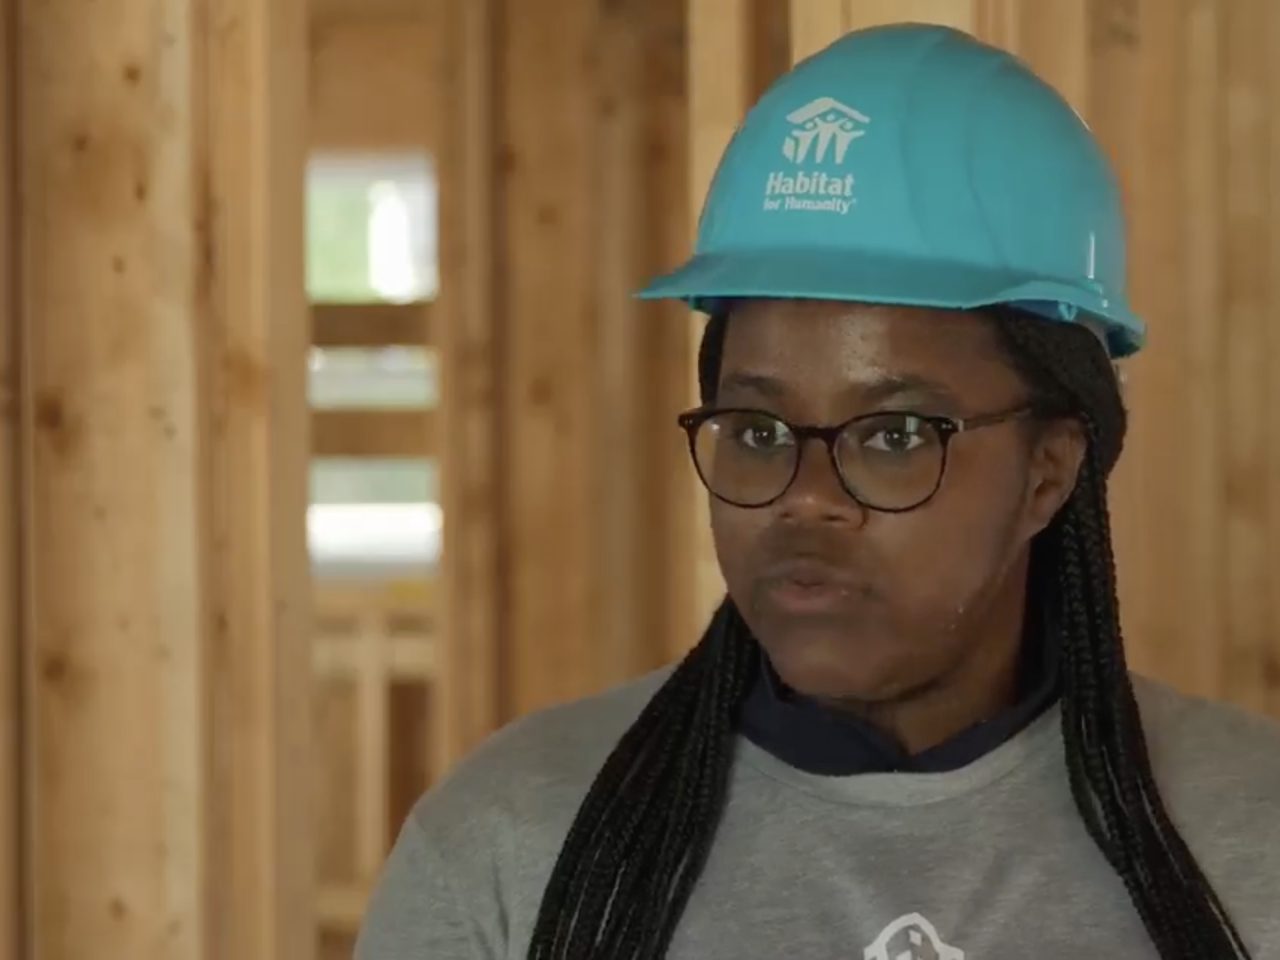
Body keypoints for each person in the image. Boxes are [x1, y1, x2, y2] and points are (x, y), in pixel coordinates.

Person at [354, 22, 1280, 960]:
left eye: (894, 435)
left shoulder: (1252, 845)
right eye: (758, 433)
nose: (806, 499)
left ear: (1049, 470)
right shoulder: (508, 849)